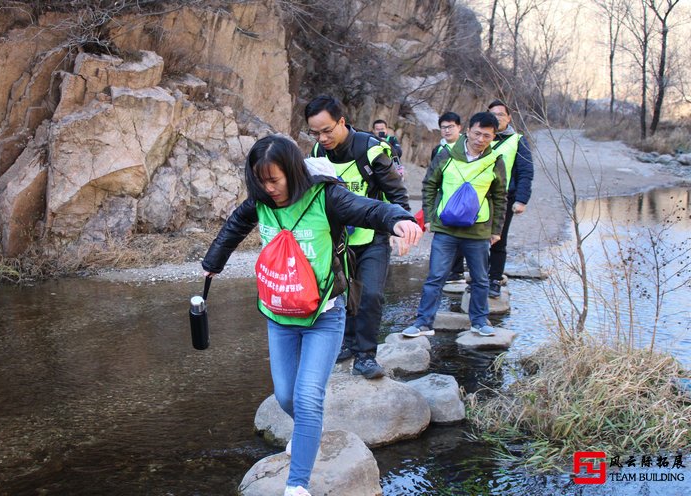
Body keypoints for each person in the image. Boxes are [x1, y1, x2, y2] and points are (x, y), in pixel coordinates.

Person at [201, 135, 422, 496]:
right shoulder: (260, 202)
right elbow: (234, 226)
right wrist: (213, 264)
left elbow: (367, 209)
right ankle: (308, 432)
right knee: (285, 395)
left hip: (324, 315)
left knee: (307, 396)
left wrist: (399, 219)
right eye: (260, 180)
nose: (268, 188)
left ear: (292, 171)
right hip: (280, 313)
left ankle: (297, 483)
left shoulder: (325, 196)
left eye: (274, 179)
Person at [307, 95, 412, 379]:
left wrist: (401, 223)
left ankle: (366, 356)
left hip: (373, 237)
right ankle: (348, 344)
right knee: (341, 294)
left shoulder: (372, 149)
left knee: (371, 295)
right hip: (338, 240)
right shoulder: (318, 152)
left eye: (327, 130)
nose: (323, 137)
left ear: (342, 121)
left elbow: (396, 192)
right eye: (316, 132)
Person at [403, 112, 507, 338]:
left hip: (478, 230)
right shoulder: (446, 154)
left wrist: (496, 230)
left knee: (480, 278)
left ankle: (479, 321)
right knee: (436, 276)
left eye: (487, 136)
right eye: (477, 133)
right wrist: (429, 218)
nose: (481, 139)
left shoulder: (495, 160)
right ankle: (423, 323)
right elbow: (429, 185)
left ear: (494, 137)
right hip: (445, 228)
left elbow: (500, 197)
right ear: (468, 130)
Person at [486, 100, 534, 298]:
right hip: (479, 197)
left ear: (509, 118)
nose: (497, 118)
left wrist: (521, 200)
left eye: (500, 114)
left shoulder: (517, 140)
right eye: (493, 115)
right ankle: (480, 278)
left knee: (498, 239)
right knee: (475, 239)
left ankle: (494, 280)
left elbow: (526, 172)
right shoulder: (482, 137)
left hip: (504, 198)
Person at [431, 112, 466, 284]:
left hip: (463, 198)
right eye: (443, 127)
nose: (447, 130)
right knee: (445, 234)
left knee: (462, 233)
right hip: (444, 196)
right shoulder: (438, 150)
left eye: (450, 126)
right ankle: (448, 271)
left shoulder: (468, 146)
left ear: (459, 127)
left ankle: (458, 271)